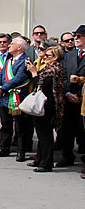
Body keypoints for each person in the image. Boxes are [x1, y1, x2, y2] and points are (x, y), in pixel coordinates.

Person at [26, 46, 64, 172]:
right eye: (45, 55)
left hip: (48, 105)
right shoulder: (48, 68)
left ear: (56, 57)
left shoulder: (54, 69)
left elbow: (42, 84)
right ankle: (40, 159)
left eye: (49, 56)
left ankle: (47, 163)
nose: (45, 58)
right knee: (41, 133)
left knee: (45, 135)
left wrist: (34, 73)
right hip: (44, 103)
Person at [0, 37, 32, 161]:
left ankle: (21, 151)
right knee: (5, 125)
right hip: (5, 97)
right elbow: (1, 74)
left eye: (12, 44)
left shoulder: (25, 61)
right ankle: (4, 147)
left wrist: (3, 88)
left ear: (20, 47)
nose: (9, 46)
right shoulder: (9, 60)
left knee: (20, 127)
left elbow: (19, 78)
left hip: (17, 97)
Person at [58, 24, 85, 167]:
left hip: (83, 99)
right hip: (70, 98)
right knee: (67, 130)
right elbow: (63, 76)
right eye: (75, 36)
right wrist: (68, 93)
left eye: (79, 36)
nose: (75, 39)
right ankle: (67, 156)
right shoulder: (70, 56)